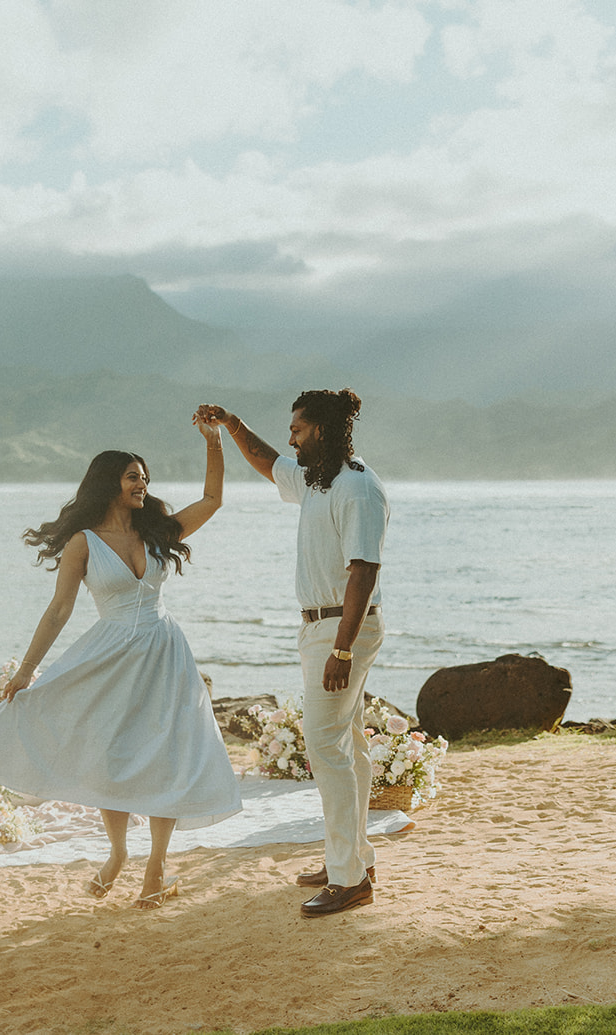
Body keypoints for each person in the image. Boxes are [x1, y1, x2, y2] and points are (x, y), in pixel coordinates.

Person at [0, 417, 241, 909]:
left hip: (166, 653)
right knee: (112, 755)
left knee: (169, 755)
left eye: (144, 476)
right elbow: (59, 610)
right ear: (110, 485)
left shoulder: (159, 531)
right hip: (113, 655)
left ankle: (157, 866)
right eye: (131, 477)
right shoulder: (84, 543)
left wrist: (214, 444)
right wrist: (24, 671)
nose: (142, 482)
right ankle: (118, 853)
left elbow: (212, 500)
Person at [198, 390, 388, 917]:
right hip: (322, 629)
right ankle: (352, 860)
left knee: (326, 750)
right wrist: (232, 424)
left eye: (299, 431)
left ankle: (349, 881)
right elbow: (267, 462)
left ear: (321, 432)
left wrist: (342, 651)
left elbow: (364, 572)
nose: (291, 439)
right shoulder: (317, 479)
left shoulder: (357, 488)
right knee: (346, 744)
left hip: (340, 631)